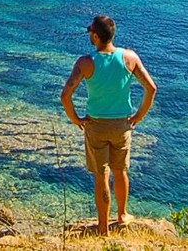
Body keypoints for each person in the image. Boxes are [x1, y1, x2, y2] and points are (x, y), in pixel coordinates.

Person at [61, 14, 158, 235]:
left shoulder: (85, 63)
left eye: (90, 33)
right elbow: (151, 88)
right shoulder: (129, 58)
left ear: (95, 36)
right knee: (121, 170)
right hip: (122, 125)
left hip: (95, 125)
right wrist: (138, 117)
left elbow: (65, 95)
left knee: (101, 175)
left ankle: (103, 227)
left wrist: (76, 119)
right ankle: (122, 215)